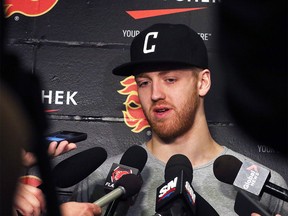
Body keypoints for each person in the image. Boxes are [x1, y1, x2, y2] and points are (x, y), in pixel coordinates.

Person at [69, 23, 288, 215]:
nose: (155, 94)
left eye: (170, 79)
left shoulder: (265, 187)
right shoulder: (100, 182)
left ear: (202, 83)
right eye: (144, 82)